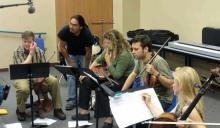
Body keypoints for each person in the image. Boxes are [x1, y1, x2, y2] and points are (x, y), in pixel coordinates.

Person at [71, 29, 135, 128]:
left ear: (116, 42)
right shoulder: (108, 49)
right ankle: (84, 113)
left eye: (108, 43)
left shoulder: (124, 55)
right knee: (86, 80)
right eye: (104, 42)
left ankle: (108, 119)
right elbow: (97, 60)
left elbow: (118, 75)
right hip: (111, 76)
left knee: (102, 88)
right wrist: (87, 73)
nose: (105, 45)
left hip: (124, 80)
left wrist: (108, 61)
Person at [12, 31, 66, 121]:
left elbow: (44, 68)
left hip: (38, 74)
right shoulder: (17, 51)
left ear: (33, 42)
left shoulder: (39, 51)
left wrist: (42, 77)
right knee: (23, 89)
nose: (26, 44)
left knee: (54, 81)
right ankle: (20, 110)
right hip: (22, 76)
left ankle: (57, 109)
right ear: (22, 41)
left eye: (29, 42)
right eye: (25, 41)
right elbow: (21, 68)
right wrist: (31, 54)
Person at [121, 35, 174, 110]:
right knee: (128, 104)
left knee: (137, 111)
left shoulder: (158, 62)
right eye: (132, 49)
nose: (133, 52)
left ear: (145, 49)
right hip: (148, 92)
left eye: (136, 49)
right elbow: (133, 75)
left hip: (162, 98)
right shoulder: (140, 58)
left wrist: (155, 73)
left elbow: (170, 85)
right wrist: (122, 92)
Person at [58, 14, 94, 110]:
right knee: (71, 75)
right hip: (71, 54)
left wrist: (85, 69)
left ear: (80, 27)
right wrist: (69, 61)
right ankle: (71, 100)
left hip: (83, 54)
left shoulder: (86, 34)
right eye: (70, 23)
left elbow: (88, 52)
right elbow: (61, 47)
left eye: (74, 25)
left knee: (85, 76)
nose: (71, 26)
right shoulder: (65, 31)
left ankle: (85, 100)